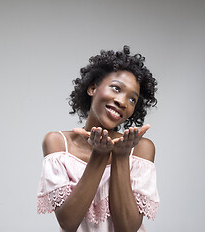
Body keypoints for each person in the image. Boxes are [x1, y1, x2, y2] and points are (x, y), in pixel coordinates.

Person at [37, 45, 160, 232]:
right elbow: (68, 223)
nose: (122, 102)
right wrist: (100, 155)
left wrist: (120, 157)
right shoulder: (58, 143)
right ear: (92, 88)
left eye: (132, 99)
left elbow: (127, 229)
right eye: (116, 88)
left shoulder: (140, 148)